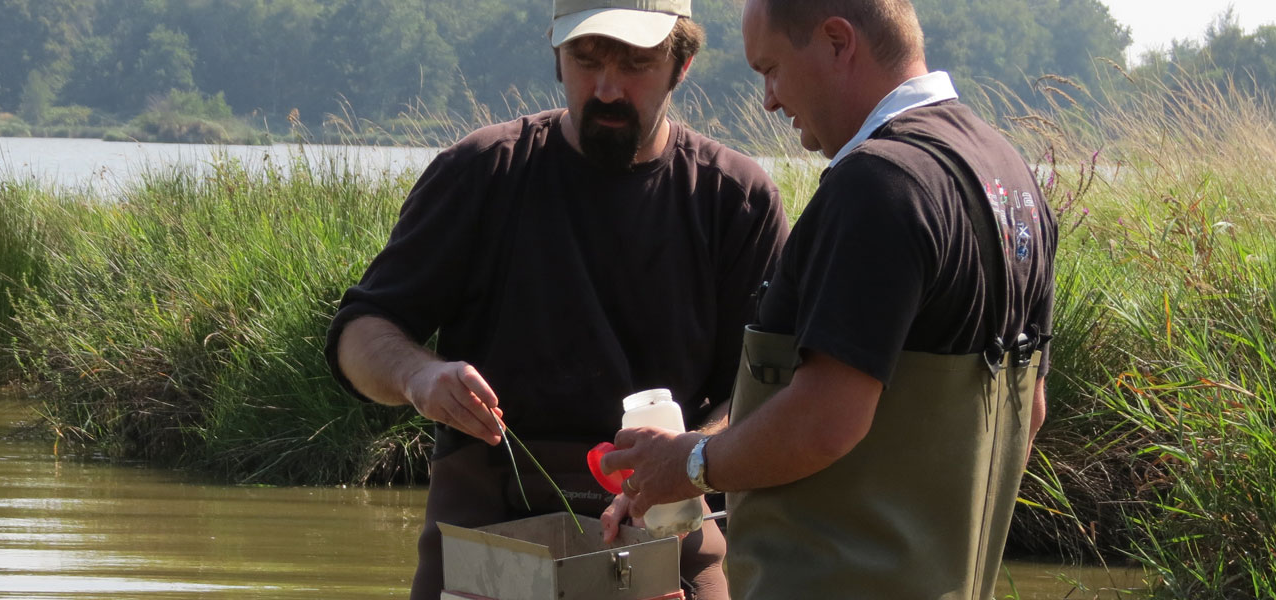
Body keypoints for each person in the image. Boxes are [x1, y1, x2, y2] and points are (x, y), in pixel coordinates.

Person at [322, 0, 789, 597]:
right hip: (487, 545)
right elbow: (359, 332)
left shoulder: (736, 200)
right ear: (555, 54)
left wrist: (687, 459)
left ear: (683, 64)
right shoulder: (482, 173)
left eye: (637, 64)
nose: (607, 88)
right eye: (586, 59)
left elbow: (764, 395)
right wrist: (419, 376)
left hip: (667, 535)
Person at [600, 0, 1057, 598]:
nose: (768, 98)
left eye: (772, 69)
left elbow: (826, 421)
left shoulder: (878, 185)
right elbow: (1031, 412)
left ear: (838, 41)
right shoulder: (1009, 175)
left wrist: (691, 464)